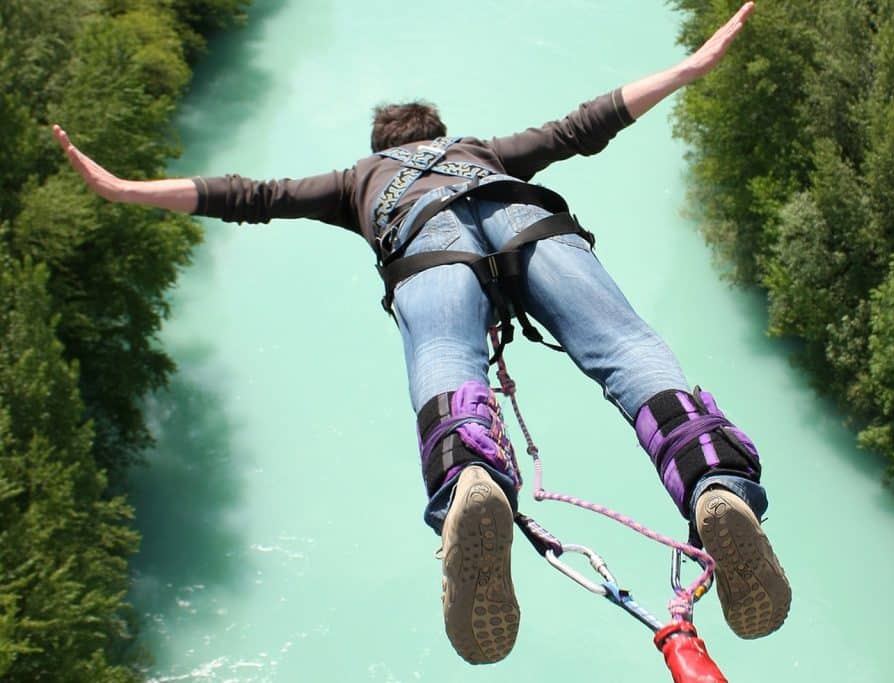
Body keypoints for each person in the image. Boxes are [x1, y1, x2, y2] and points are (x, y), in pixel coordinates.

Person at [55, 1, 789, 666]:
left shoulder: (358, 179)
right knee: (628, 351)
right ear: (435, 133)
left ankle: (471, 478)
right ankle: (713, 483)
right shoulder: (481, 149)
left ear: (380, 144)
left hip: (426, 248)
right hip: (529, 222)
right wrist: (689, 68)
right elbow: (583, 125)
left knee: (446, 359)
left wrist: (125, 189)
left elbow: (251, 197)